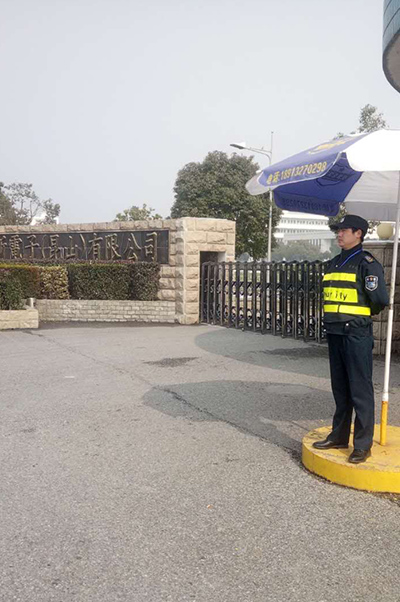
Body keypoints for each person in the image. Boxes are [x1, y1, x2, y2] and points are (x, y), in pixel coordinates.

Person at [313, 214, 389, 463]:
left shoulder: (367, 263)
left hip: (356, 333)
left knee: (360, 390)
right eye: (338, 230)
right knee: (341, 389)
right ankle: (339, 436)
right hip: (335, 332)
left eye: (344, 230)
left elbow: (379, 300)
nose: (339, 234)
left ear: (358, 233)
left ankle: (363, 445)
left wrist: (358, 317)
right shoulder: (334, 263)